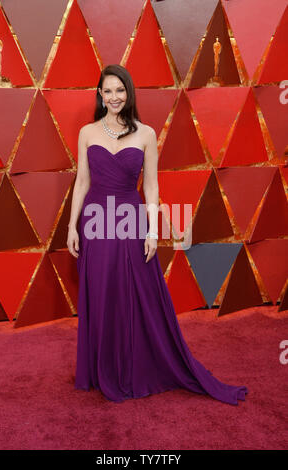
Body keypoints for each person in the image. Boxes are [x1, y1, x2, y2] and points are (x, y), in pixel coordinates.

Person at [67, 64, 248, 405]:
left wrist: (151, 231)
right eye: (108, 91)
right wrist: (71, 227)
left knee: (135, 294)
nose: (114, 96)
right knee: (102, 291)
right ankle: (101, 366)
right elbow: (82, 182)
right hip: (95, 221)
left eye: (120, 90)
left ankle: (135, 364)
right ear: (100, 95)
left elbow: (151, 187)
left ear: (129, 93)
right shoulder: (87, 133)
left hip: (130, 219)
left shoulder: (146, 134)